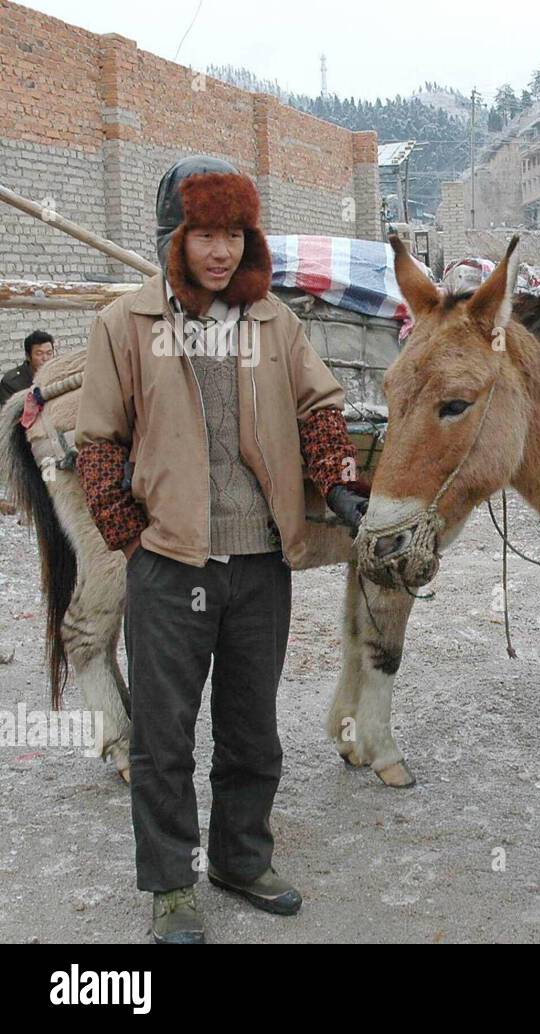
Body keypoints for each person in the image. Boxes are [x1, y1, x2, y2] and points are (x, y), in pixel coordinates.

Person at [74, 156, 371, 944]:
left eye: (234, 234)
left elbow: (319, 407)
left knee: (252, 729)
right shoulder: (126, 325)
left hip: (260, 563)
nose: (220, 252)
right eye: (204, 233)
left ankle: (240, 860)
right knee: (164, 736)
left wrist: (339, 484)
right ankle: (170, 887)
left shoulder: (275, 322)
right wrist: (134, 542)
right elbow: (98, 440)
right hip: (171, 567)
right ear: (174, 237)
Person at [0, 330, 55, 406]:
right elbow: (9, 414)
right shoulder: (11, 382)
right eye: (39, 354)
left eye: (49, 353)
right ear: (28, 356)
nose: (45, 358)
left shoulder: (58, 376)